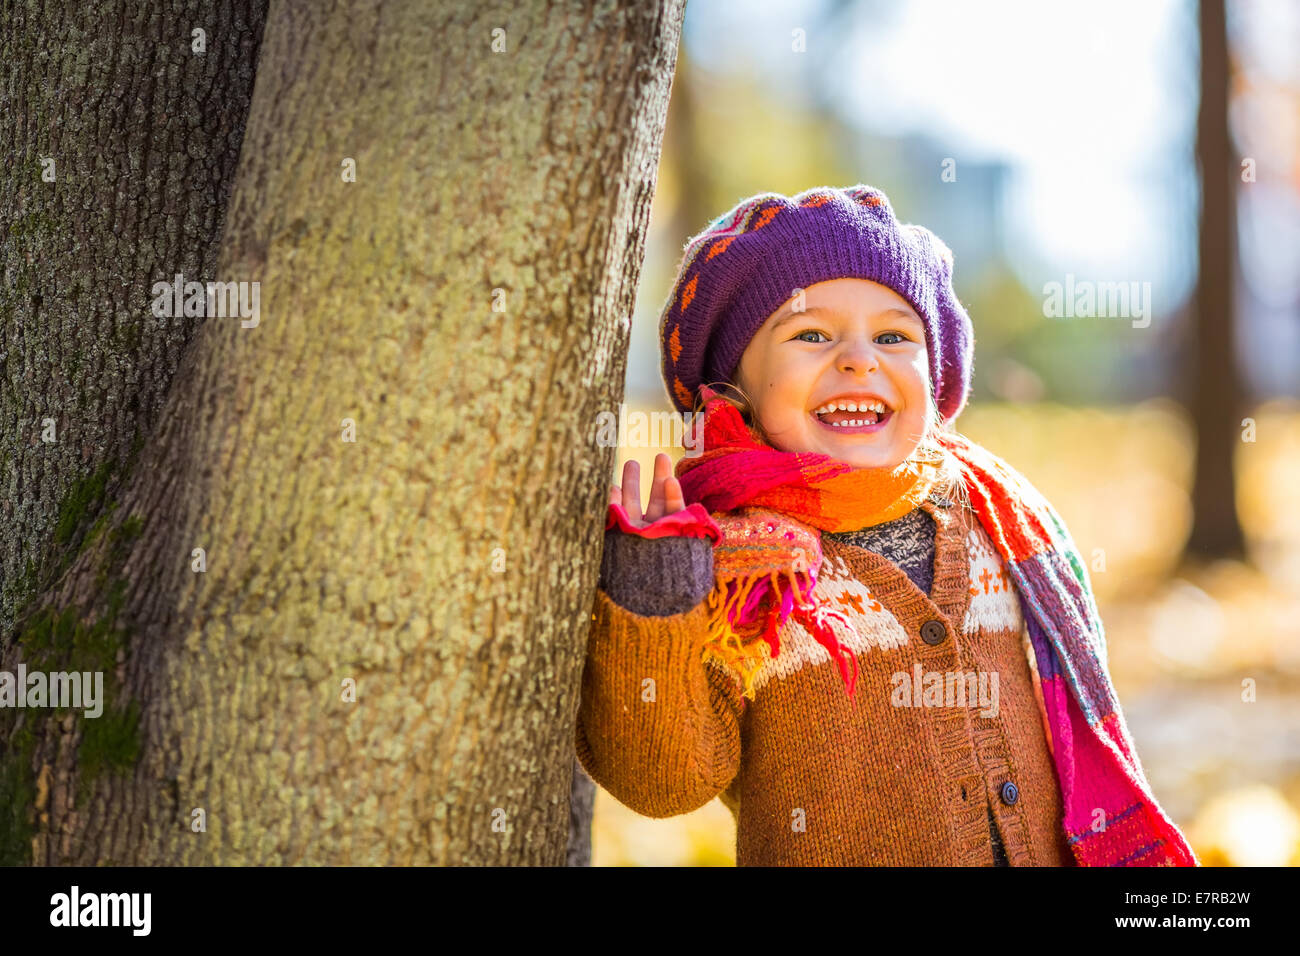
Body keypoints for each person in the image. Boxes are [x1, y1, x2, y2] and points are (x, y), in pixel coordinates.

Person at [575, 183, 1197, 867]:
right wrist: (654, 598)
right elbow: (665, 785)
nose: (859, 359)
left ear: (937, 379)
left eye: (894, 336)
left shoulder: (999, 522)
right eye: (811, 334)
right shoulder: (741, 570)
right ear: (736, 390)